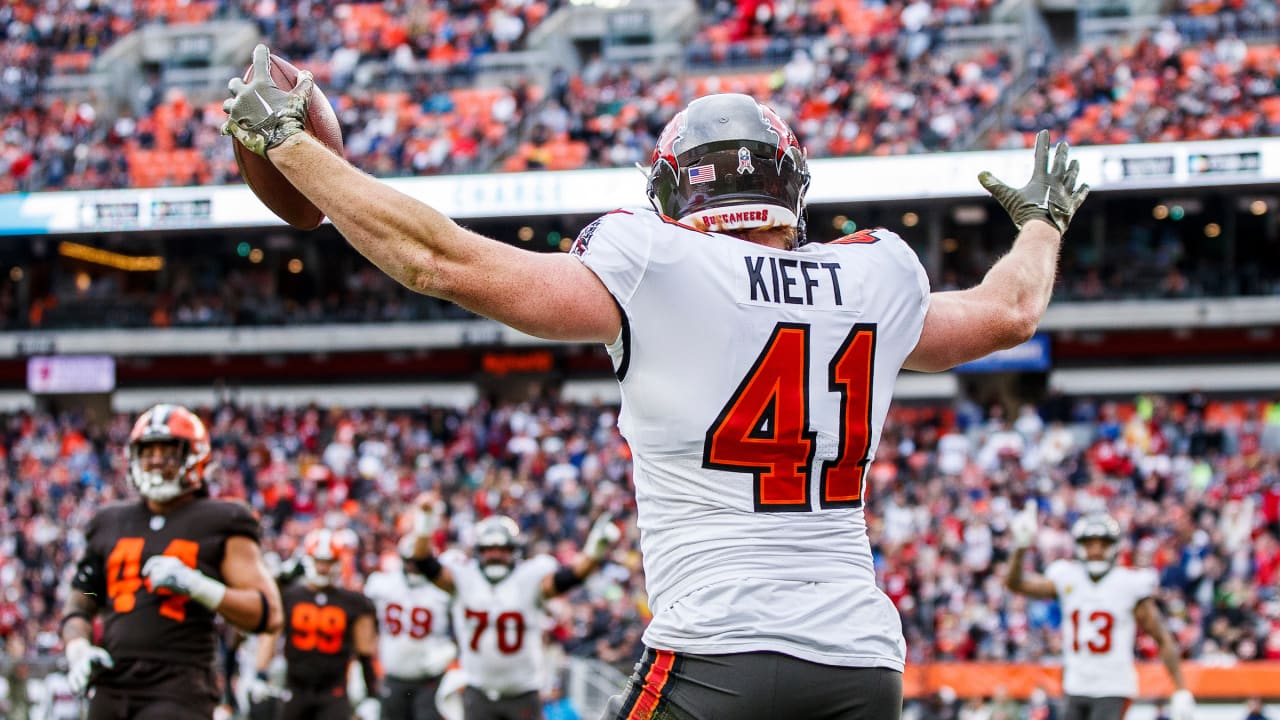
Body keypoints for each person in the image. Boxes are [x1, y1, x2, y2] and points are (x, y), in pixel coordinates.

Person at [222, 44, 1088, 719]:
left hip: (718, 649)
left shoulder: (655, 261)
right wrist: (1044, 223)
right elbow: (1009, 311)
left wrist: (290, 146)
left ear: (674, 192)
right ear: (792, 186)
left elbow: (434, 259)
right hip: (863, 663)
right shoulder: (878, 276)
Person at [58, 403, 283, 719]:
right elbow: (85, 600)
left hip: (179, 684)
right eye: (148, 452)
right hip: (112, 680)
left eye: (168, 451)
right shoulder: (109, 521)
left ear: (194, 455)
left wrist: (199, 586)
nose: (156, 461)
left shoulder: (221, 519)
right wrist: (78, 647)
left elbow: (266, 613)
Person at [405, 508, 620, 720]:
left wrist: (594, 551)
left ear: (514, 550)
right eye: (489, 549)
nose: (495, 554)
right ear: (479, 550)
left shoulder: (529, 577)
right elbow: (424, 562)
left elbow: (570, 577)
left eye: (502, 548)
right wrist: (424, 518)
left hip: (523, 693)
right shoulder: (463, 577)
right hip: (478, 691)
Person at [1006, 508, 1196, 720]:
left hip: (1112, 686)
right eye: (1090, 544)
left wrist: (1181, 689)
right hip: (1075, 684)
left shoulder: (1128, 584)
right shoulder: (1068, 577)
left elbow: (1162, 637)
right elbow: (1015, 584)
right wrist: (1020, 546)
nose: (1096, 550)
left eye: (1102, 544)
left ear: (1114, 546)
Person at [250, 527, 380, 720]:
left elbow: (365, 651)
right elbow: (271, 633)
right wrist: (261, 673)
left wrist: (372, 694)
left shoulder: (354, 602)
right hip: (295, 686)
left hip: (333, 690)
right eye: (319, 561)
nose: (322, 568)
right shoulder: (290, 595)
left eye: (328, 562)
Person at [364, 499, 458, 720]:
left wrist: (450, 651)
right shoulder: (383, 584)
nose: (413, 568)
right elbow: (367, 625)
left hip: (431, 679)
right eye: (409, 562)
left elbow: (464, 628)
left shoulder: (442, 590)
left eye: (418, 562)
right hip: (394, 676)